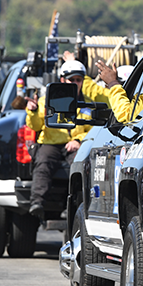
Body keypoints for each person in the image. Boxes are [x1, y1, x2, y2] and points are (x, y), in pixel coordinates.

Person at [25, 60, 92, 219]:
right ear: (62, 80)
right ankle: (37, 203)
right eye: (71, 80)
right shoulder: (44, 101)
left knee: (81, 167)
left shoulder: (87, 104)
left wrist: (79, 140)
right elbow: (35, 126)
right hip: (50, 143)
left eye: (78, 80)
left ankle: (77, 207)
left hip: (76, 144)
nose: (75, 83)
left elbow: (92, 129)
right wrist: (33, 112)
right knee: (43, 162)